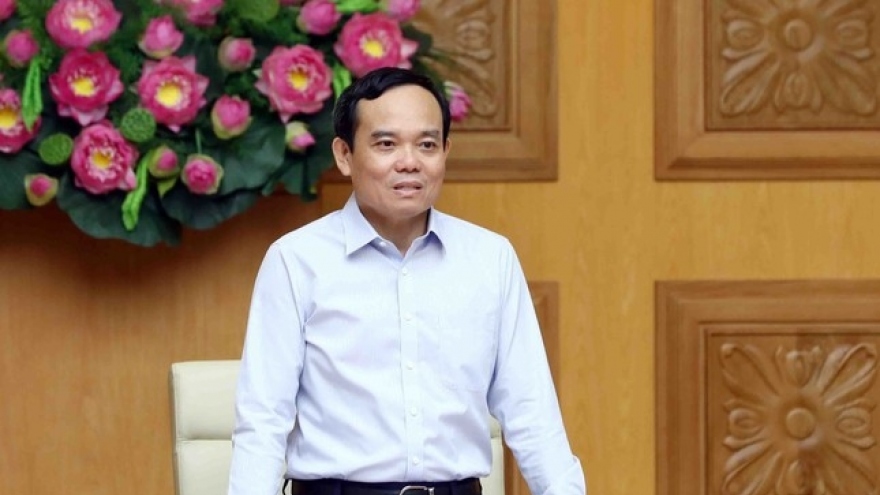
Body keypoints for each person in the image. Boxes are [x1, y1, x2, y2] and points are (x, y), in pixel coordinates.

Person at [228, 67, 586, 495]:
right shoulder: (297, 260)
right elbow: (263, 420)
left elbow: (532, 412)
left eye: (427, 144)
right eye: (386, 144)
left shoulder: (490, 259)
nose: (409, 162)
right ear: (344, 154)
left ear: (445, 151)